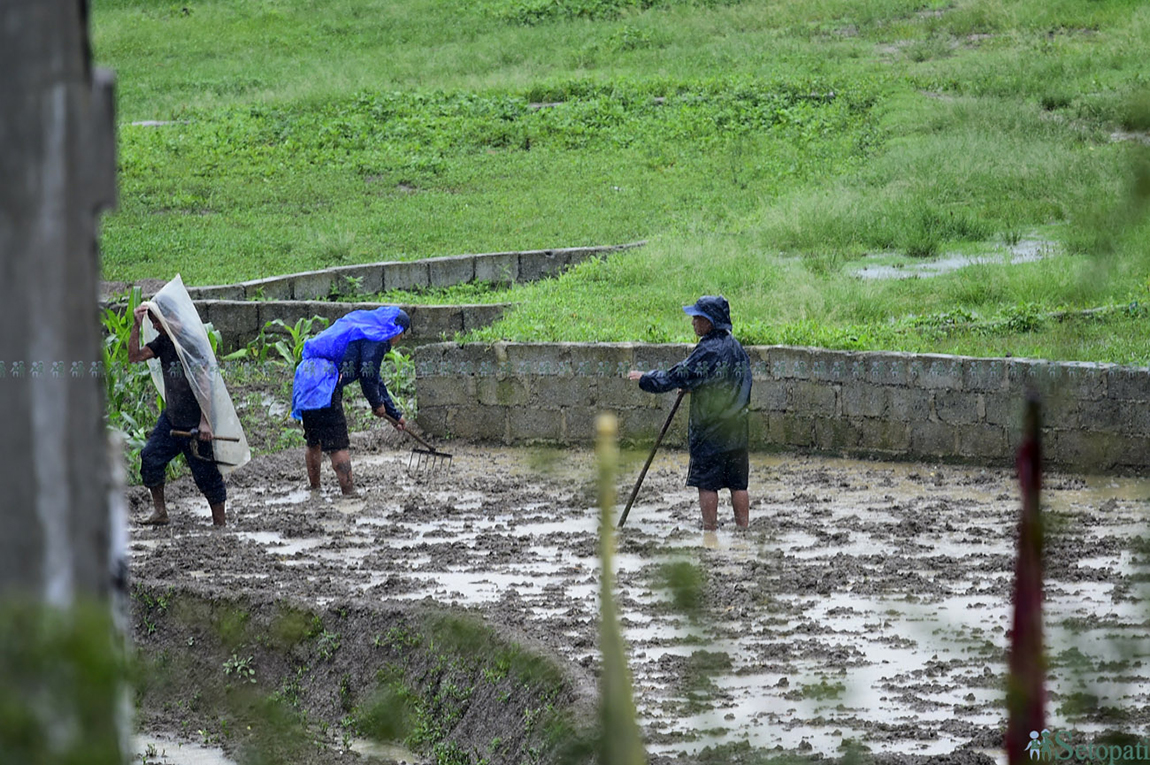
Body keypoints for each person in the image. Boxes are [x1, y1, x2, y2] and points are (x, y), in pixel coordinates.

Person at [628, 295, 752, 530]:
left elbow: (675, 376)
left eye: (698, 318)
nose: (693, 322)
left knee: (707, 484)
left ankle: (710, 530)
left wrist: (645, 378)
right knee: (738, 484)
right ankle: (743, 529)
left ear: (711, 322)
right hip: (737, 429)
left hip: (710, 431)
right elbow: (732, 383)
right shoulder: (736, 348)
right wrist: (696, 386)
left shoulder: (708, 351)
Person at [291, 307, 410, 495]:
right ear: (396, 330)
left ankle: (314, 489)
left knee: (314, 440)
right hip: (326, 381)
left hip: (308, 377)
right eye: (401, 335)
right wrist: (377, 405)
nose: (398, 340)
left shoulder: (363, 328)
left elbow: (374, 378)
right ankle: (349, 493)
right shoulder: (376, 337)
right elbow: (367, 375)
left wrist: (394, 413)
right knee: (338, 442)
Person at [129, 302, 228, 527]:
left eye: (156, 321)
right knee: (151, 458)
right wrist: (136, 325)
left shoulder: (191, 343)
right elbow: (134, 357)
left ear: (170, 317)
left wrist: (205, 422)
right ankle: (160, 511)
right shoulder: (164, 342)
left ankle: (220, 525)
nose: (154, 326)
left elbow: (205, 384)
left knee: (207, 475)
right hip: (172, 419)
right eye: (151, 321)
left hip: (196, 420)